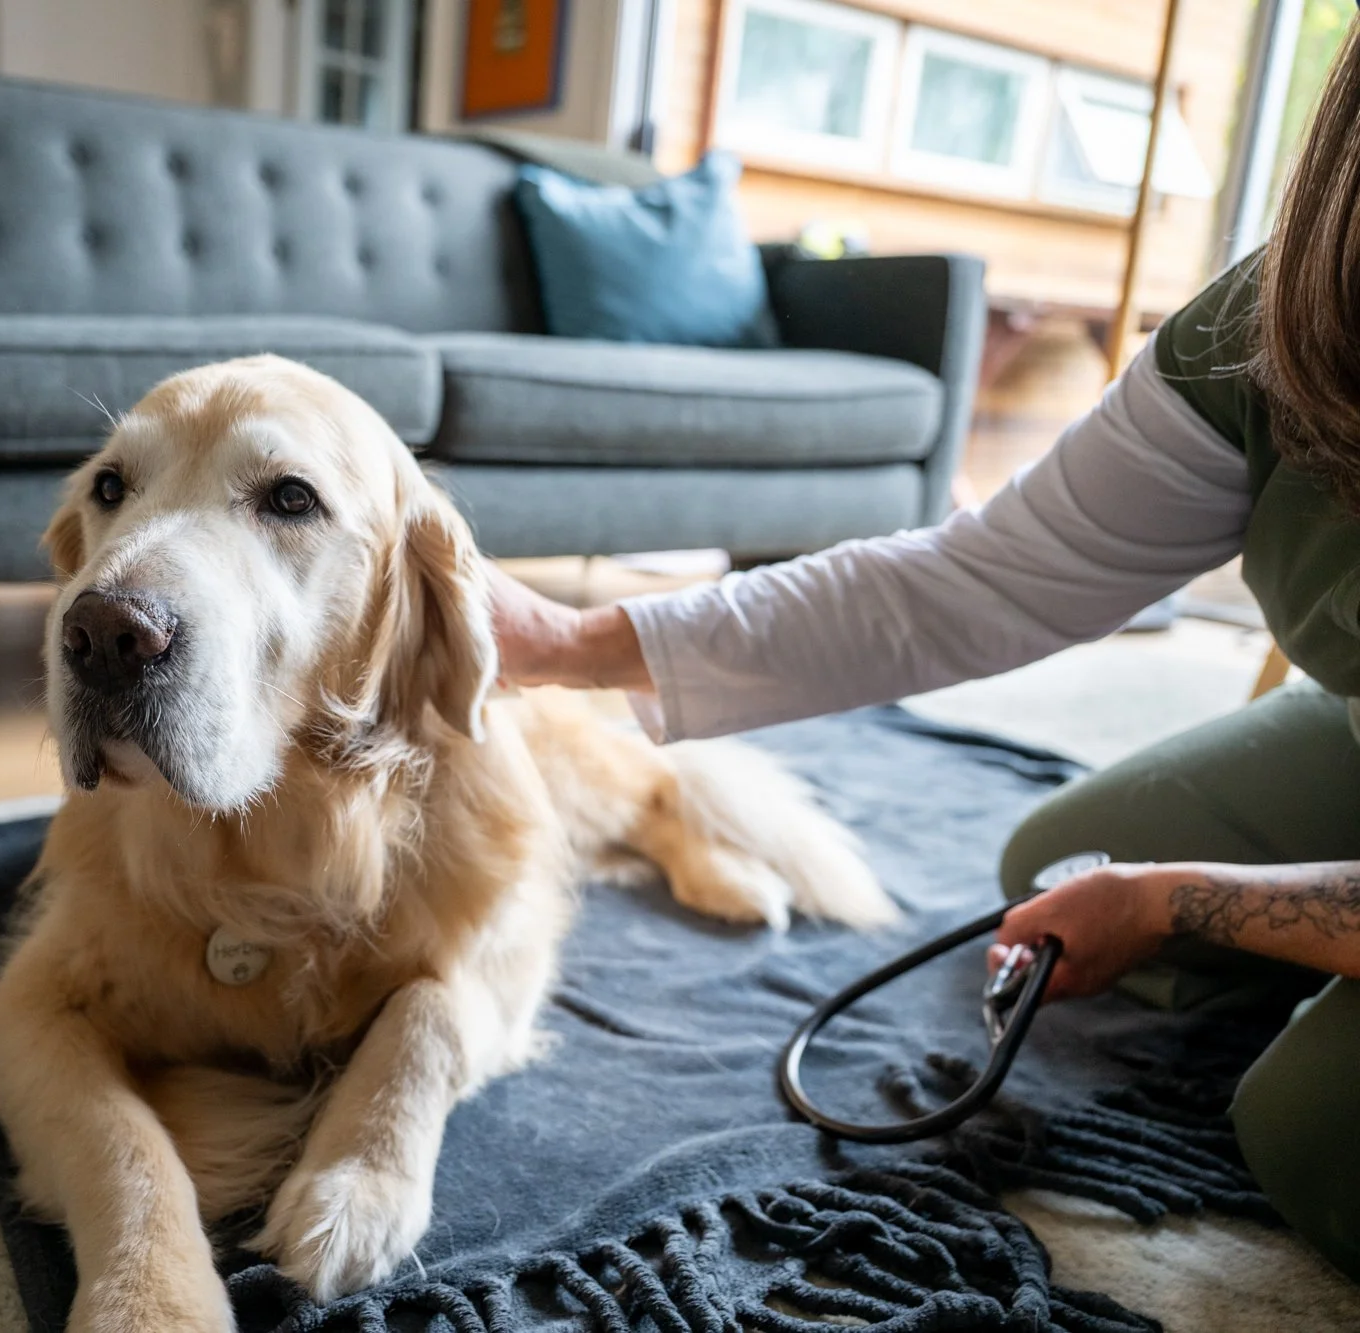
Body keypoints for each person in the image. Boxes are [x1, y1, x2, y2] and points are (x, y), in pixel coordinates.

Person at [489, 29, 1360, 1284]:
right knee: (1051, 866)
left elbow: (1158, 899)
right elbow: (974, 579)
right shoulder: (1278, 313)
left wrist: (1174, 898)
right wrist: (571, 643)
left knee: (1303, 1124)